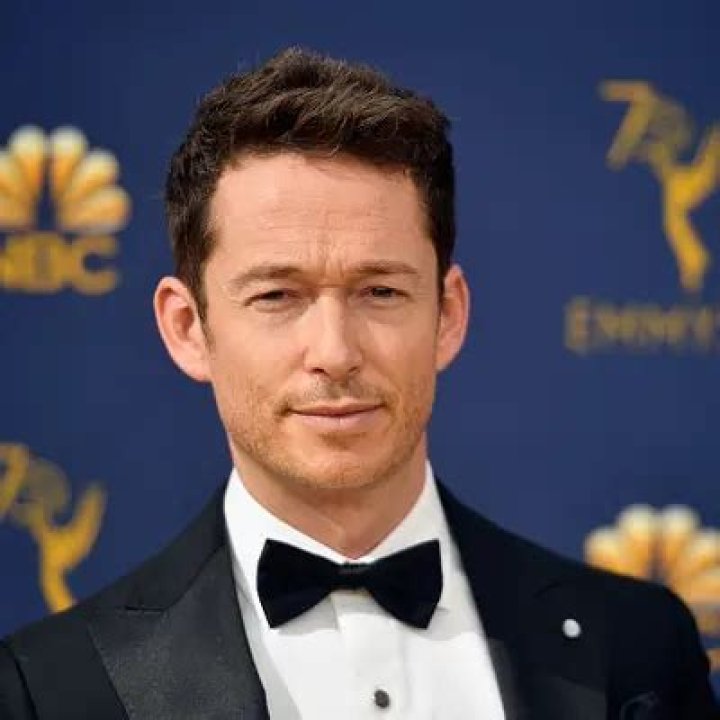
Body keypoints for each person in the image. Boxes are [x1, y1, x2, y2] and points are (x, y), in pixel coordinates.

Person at [0, 48, 717, 720]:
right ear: (188, 327)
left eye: (380, 292)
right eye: (277, 296)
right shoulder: (52, 687)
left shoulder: (637, 648)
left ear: (448, 315)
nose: (336, 353)